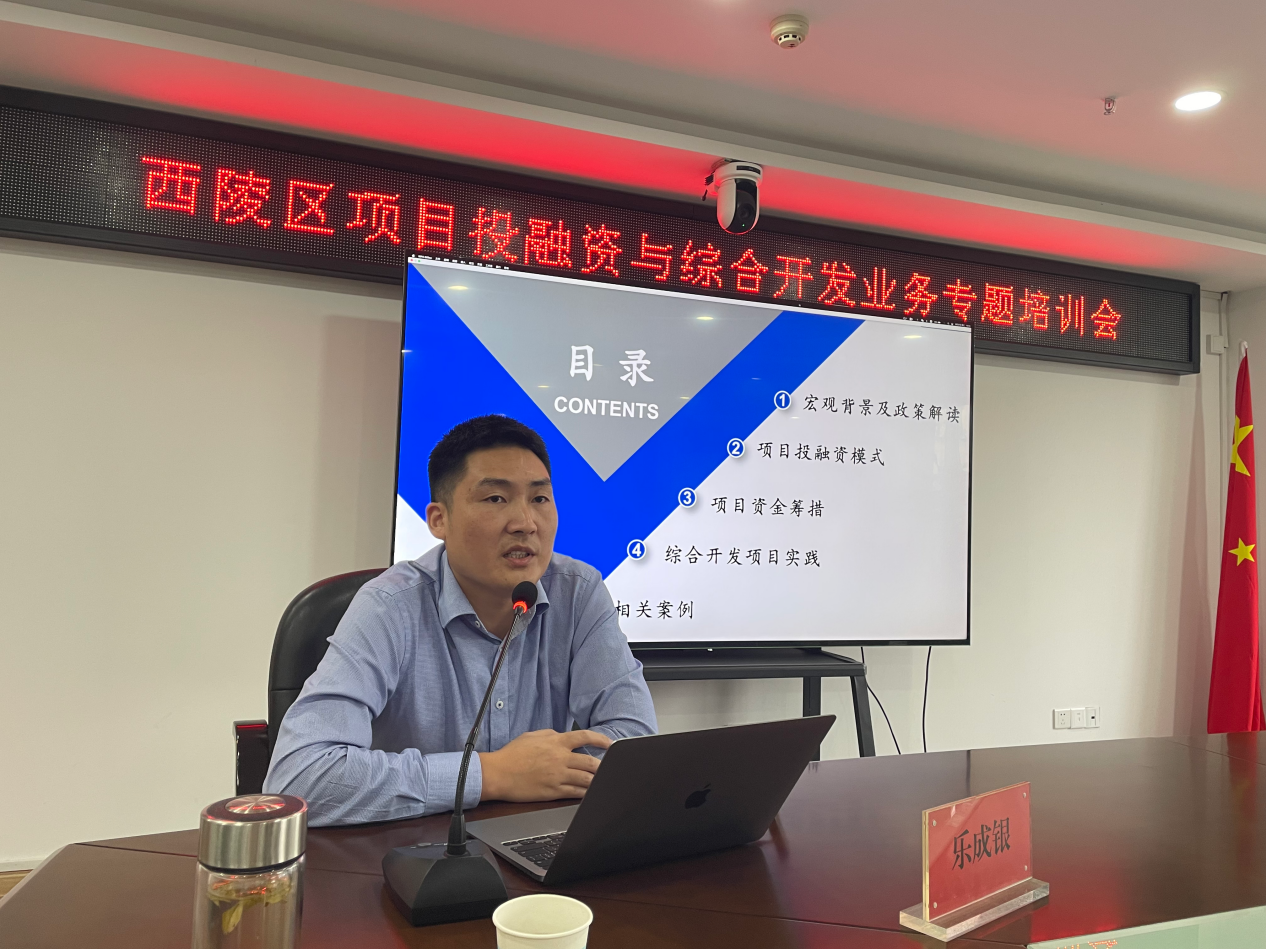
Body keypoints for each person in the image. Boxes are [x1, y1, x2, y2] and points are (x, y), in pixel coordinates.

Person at [264, 415, 657, 826]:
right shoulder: (388, 606)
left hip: (535, 839)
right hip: (410, 848)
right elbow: (299, 778)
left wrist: (550, 771)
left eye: (540, 498)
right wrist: (492, 775)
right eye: (496, 499)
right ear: (439, 520)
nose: (526, 523)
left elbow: (635, 742)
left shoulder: (578, 592)